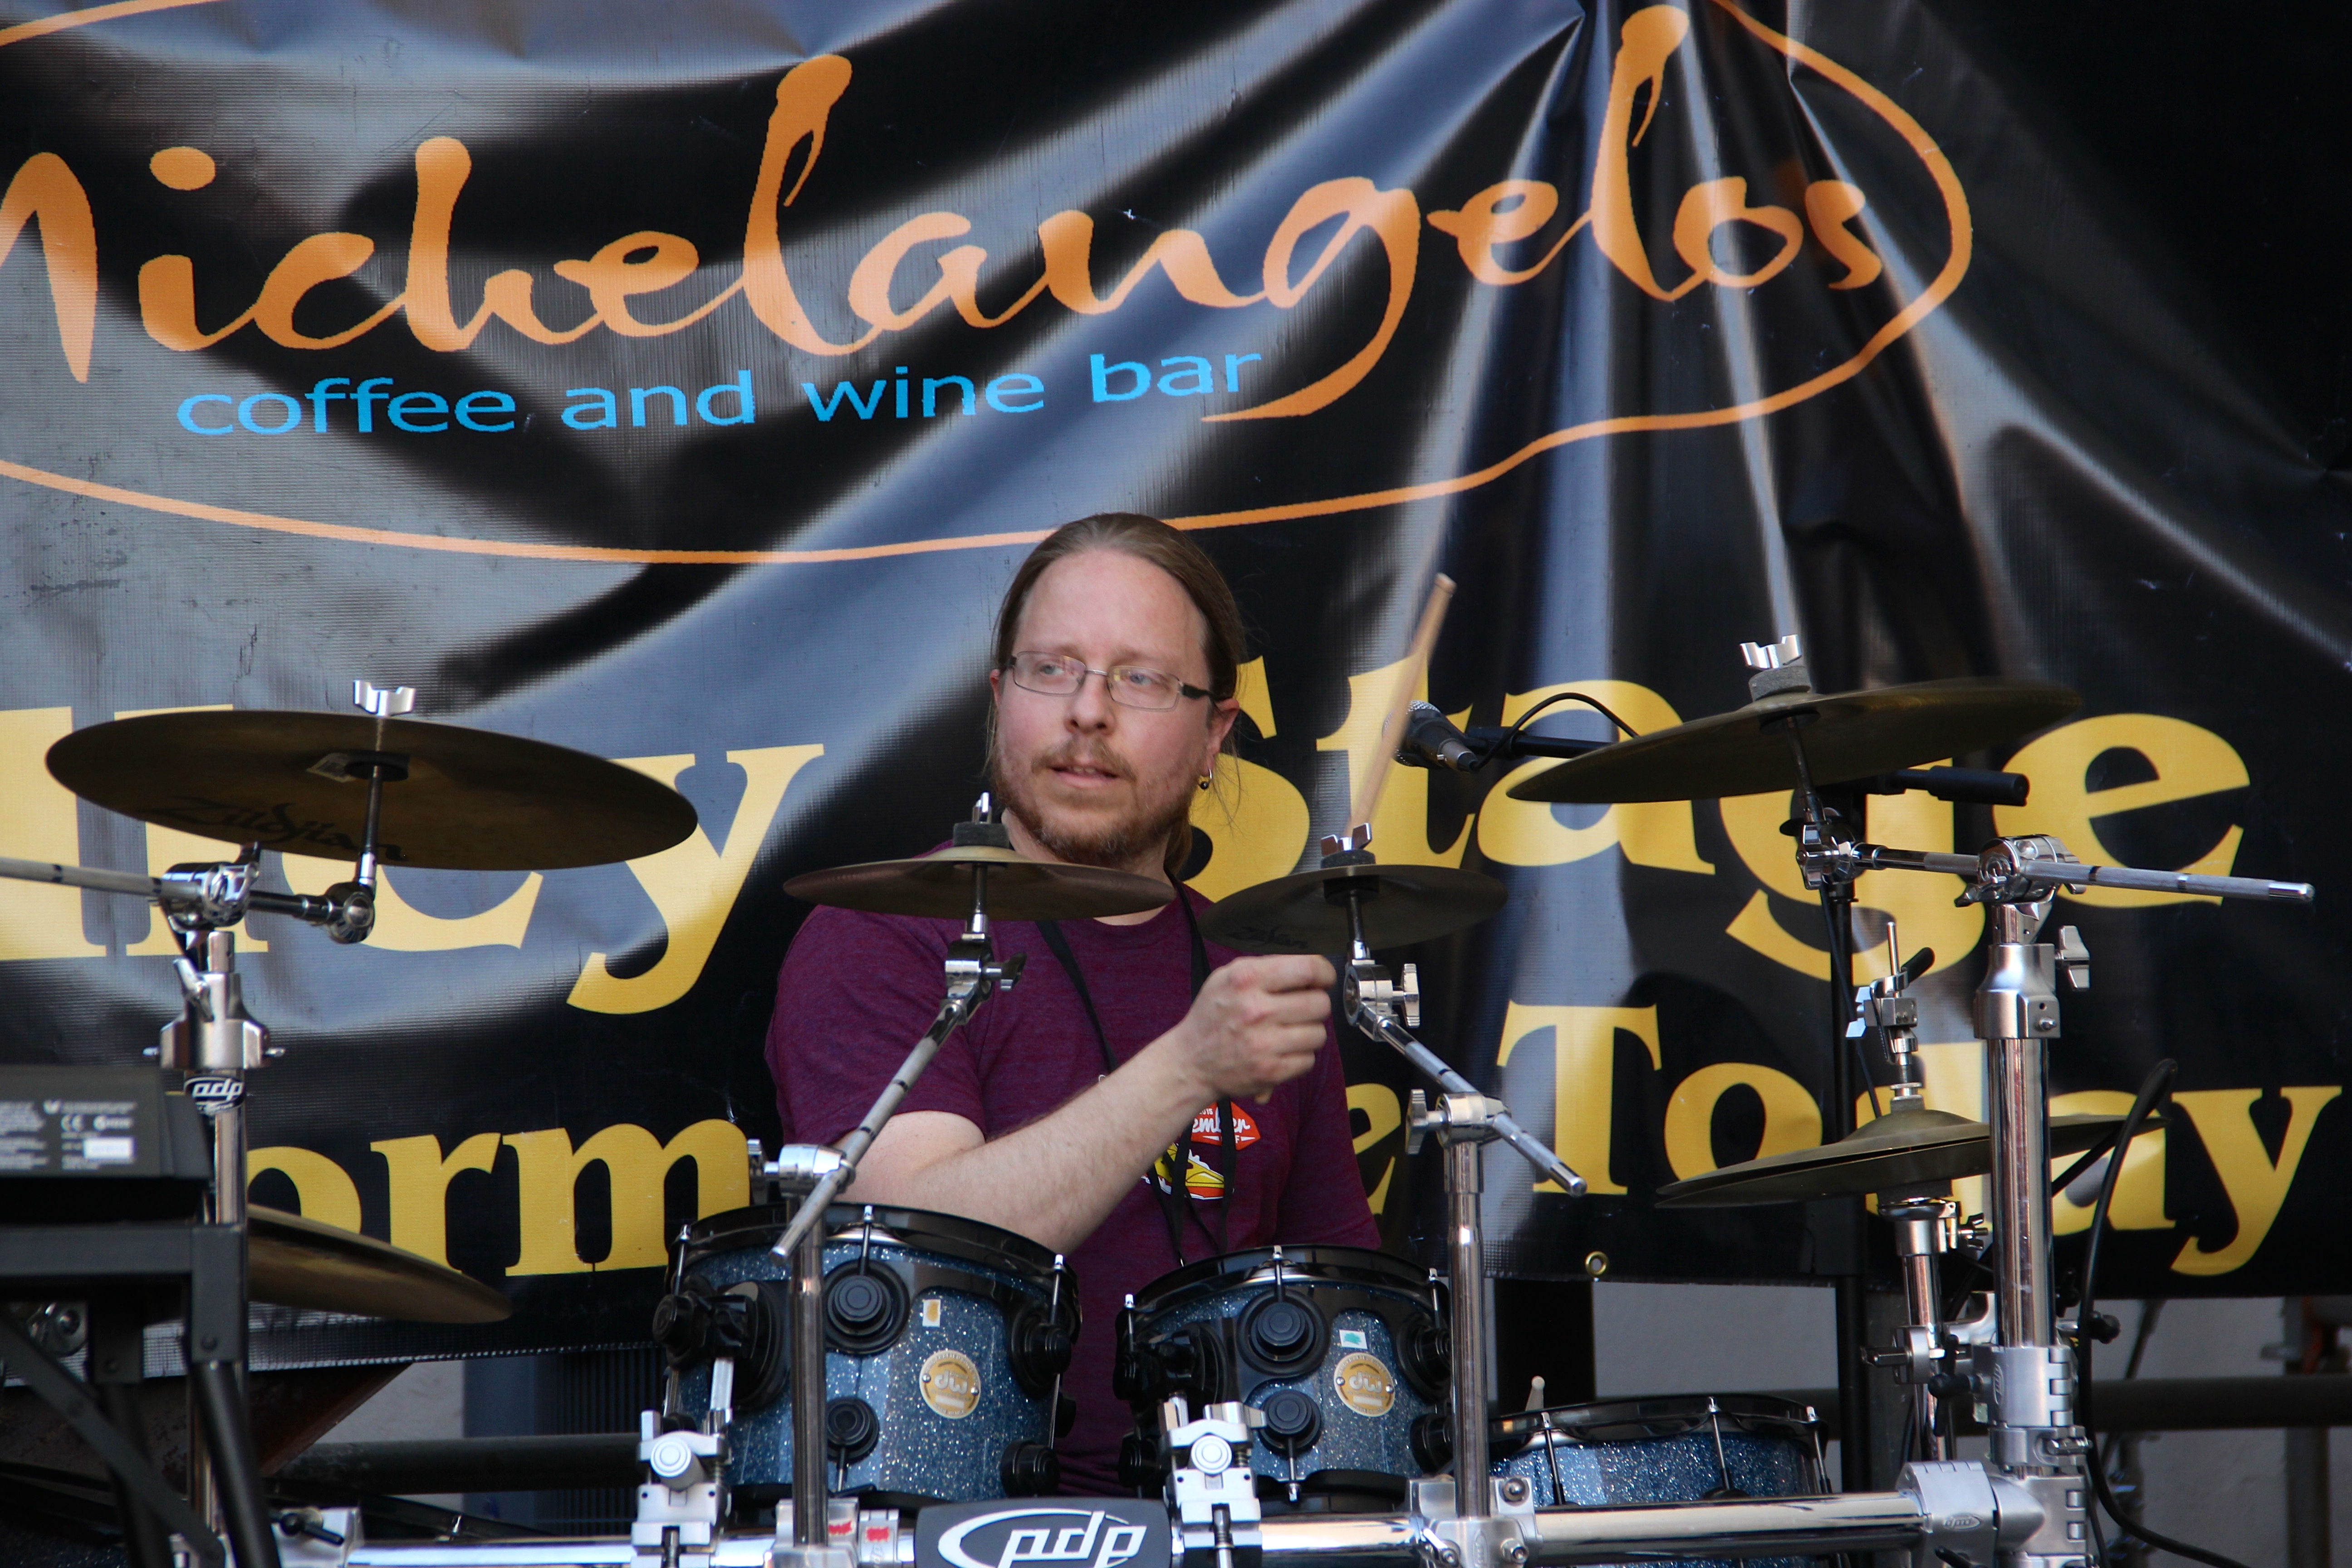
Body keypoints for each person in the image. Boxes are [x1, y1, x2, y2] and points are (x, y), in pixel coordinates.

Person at [765, 511, 1378, 1494]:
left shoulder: (1254, 969)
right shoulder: (883, 931)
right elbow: (908, 1243)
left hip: (1231, 1522)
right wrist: (1187, 1068)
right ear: (1000, 698)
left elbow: (1340, 1308)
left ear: (1216, 733)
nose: (1088, 711)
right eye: (1051, 670)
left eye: (1141, 679)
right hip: (965, 1531)